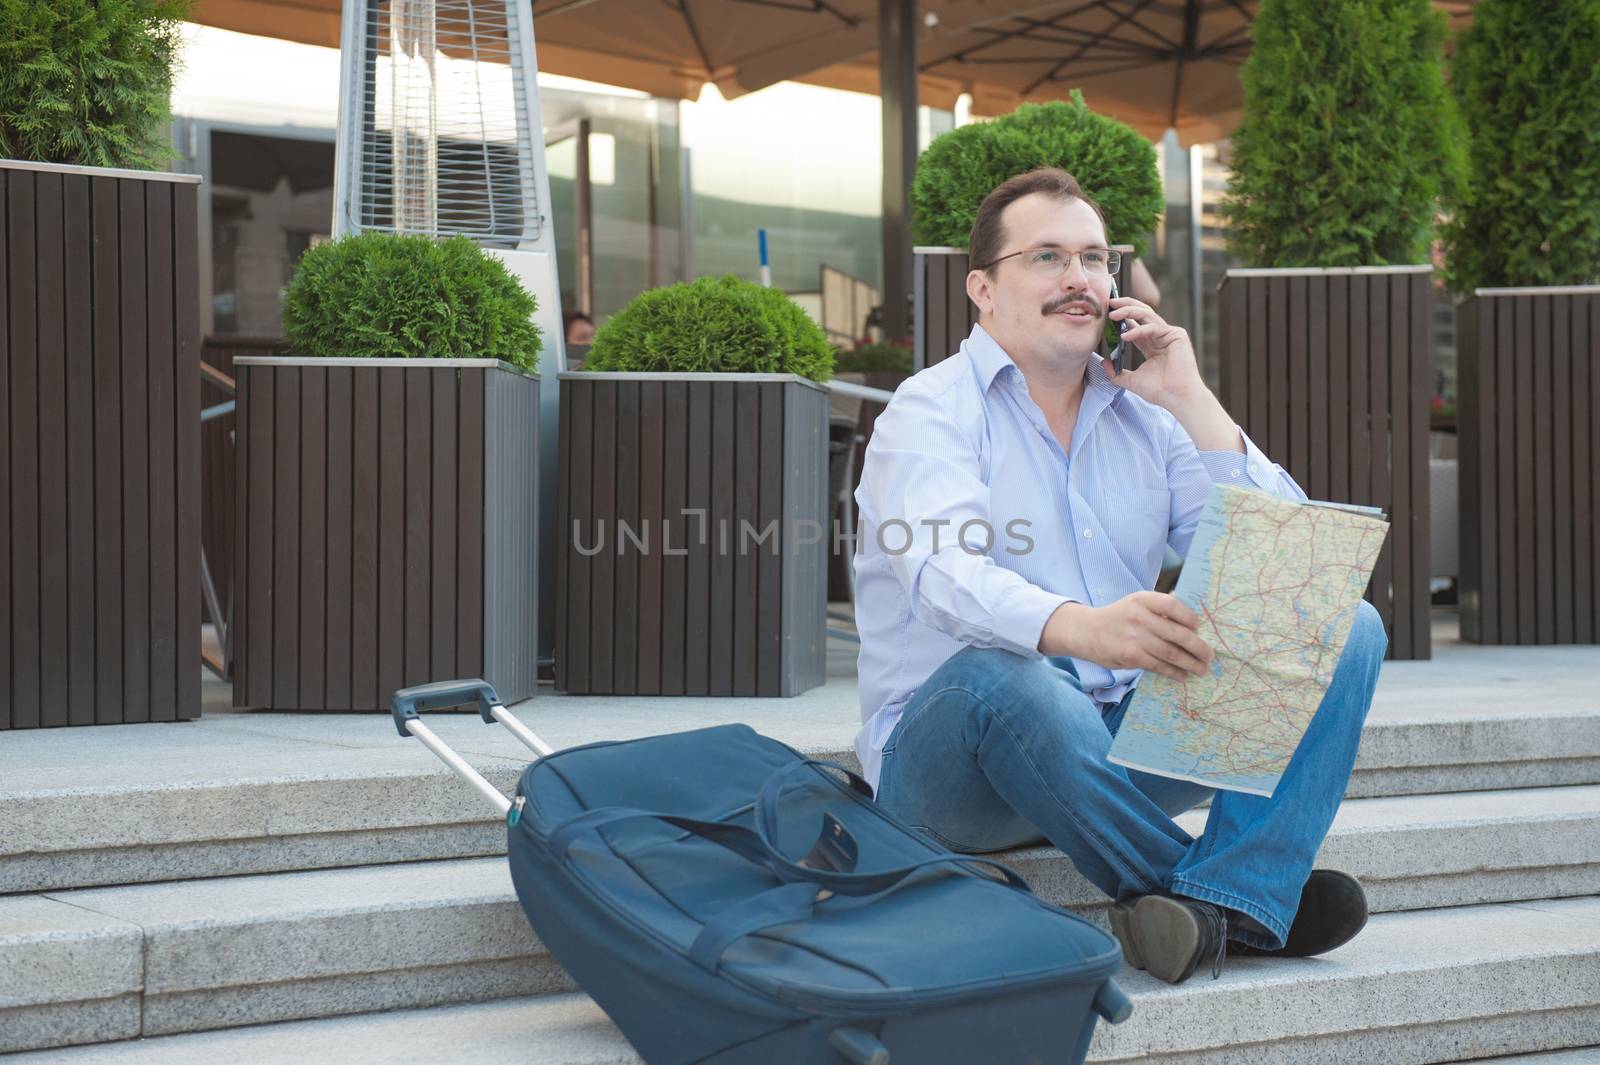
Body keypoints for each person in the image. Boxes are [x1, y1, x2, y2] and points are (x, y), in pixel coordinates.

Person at [851, 167, 1385, 986]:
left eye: (1095, 259)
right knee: (1011, 677)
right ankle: (1233, 897)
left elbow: (1289, 563)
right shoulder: (927, 412)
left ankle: (1217, 904)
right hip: (954, 770)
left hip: (1110, 749)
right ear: (982, 290)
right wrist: (1086, 626)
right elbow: (942, 575)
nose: (1079, 279)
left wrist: (1194, 398)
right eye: (1047, 257)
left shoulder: (1147, 414)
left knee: (1342, 621)